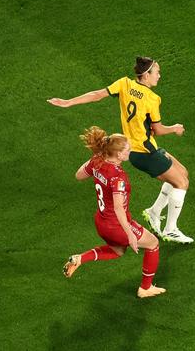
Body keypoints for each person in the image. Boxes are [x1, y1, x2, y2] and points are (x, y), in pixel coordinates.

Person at [47, 57, 193, 244]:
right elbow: (158, 129)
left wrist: (68, 102)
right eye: (156, 72)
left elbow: (97, 94)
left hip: (136, 148)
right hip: (145, 153)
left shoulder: (124, 84)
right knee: (181, 183)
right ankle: (171, 229)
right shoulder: (152, 98)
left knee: (182, 173)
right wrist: (175, 128)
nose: (159, 75)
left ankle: (154, 212)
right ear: (146, 75)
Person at [63, 126, 166, 298]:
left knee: (118, 251)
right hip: (117, 225)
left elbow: (79, 175)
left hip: (101, 222)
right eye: (127, 149)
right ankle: (145, 288)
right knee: (153, 244)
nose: (130, 151)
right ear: (118, 155)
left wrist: (95, 160)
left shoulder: (97, 161)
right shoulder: (118, 177)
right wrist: (130, 234)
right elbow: (118, 208)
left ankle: (81, 258)